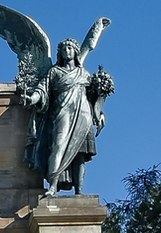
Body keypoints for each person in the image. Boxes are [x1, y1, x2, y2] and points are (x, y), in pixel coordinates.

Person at [21, 39, 113, 194]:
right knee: (57, 147)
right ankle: (52, 187)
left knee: (80, 154)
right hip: (62, 113)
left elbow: (92, 98)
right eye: (64, 48)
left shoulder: (84, 73)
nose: (67, 51)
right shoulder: (54, 72)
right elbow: (42, 89)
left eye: (70, 48)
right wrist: (32, 98)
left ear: (76, 51)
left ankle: (79, 191)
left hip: (83, 114)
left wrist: (99, 113)